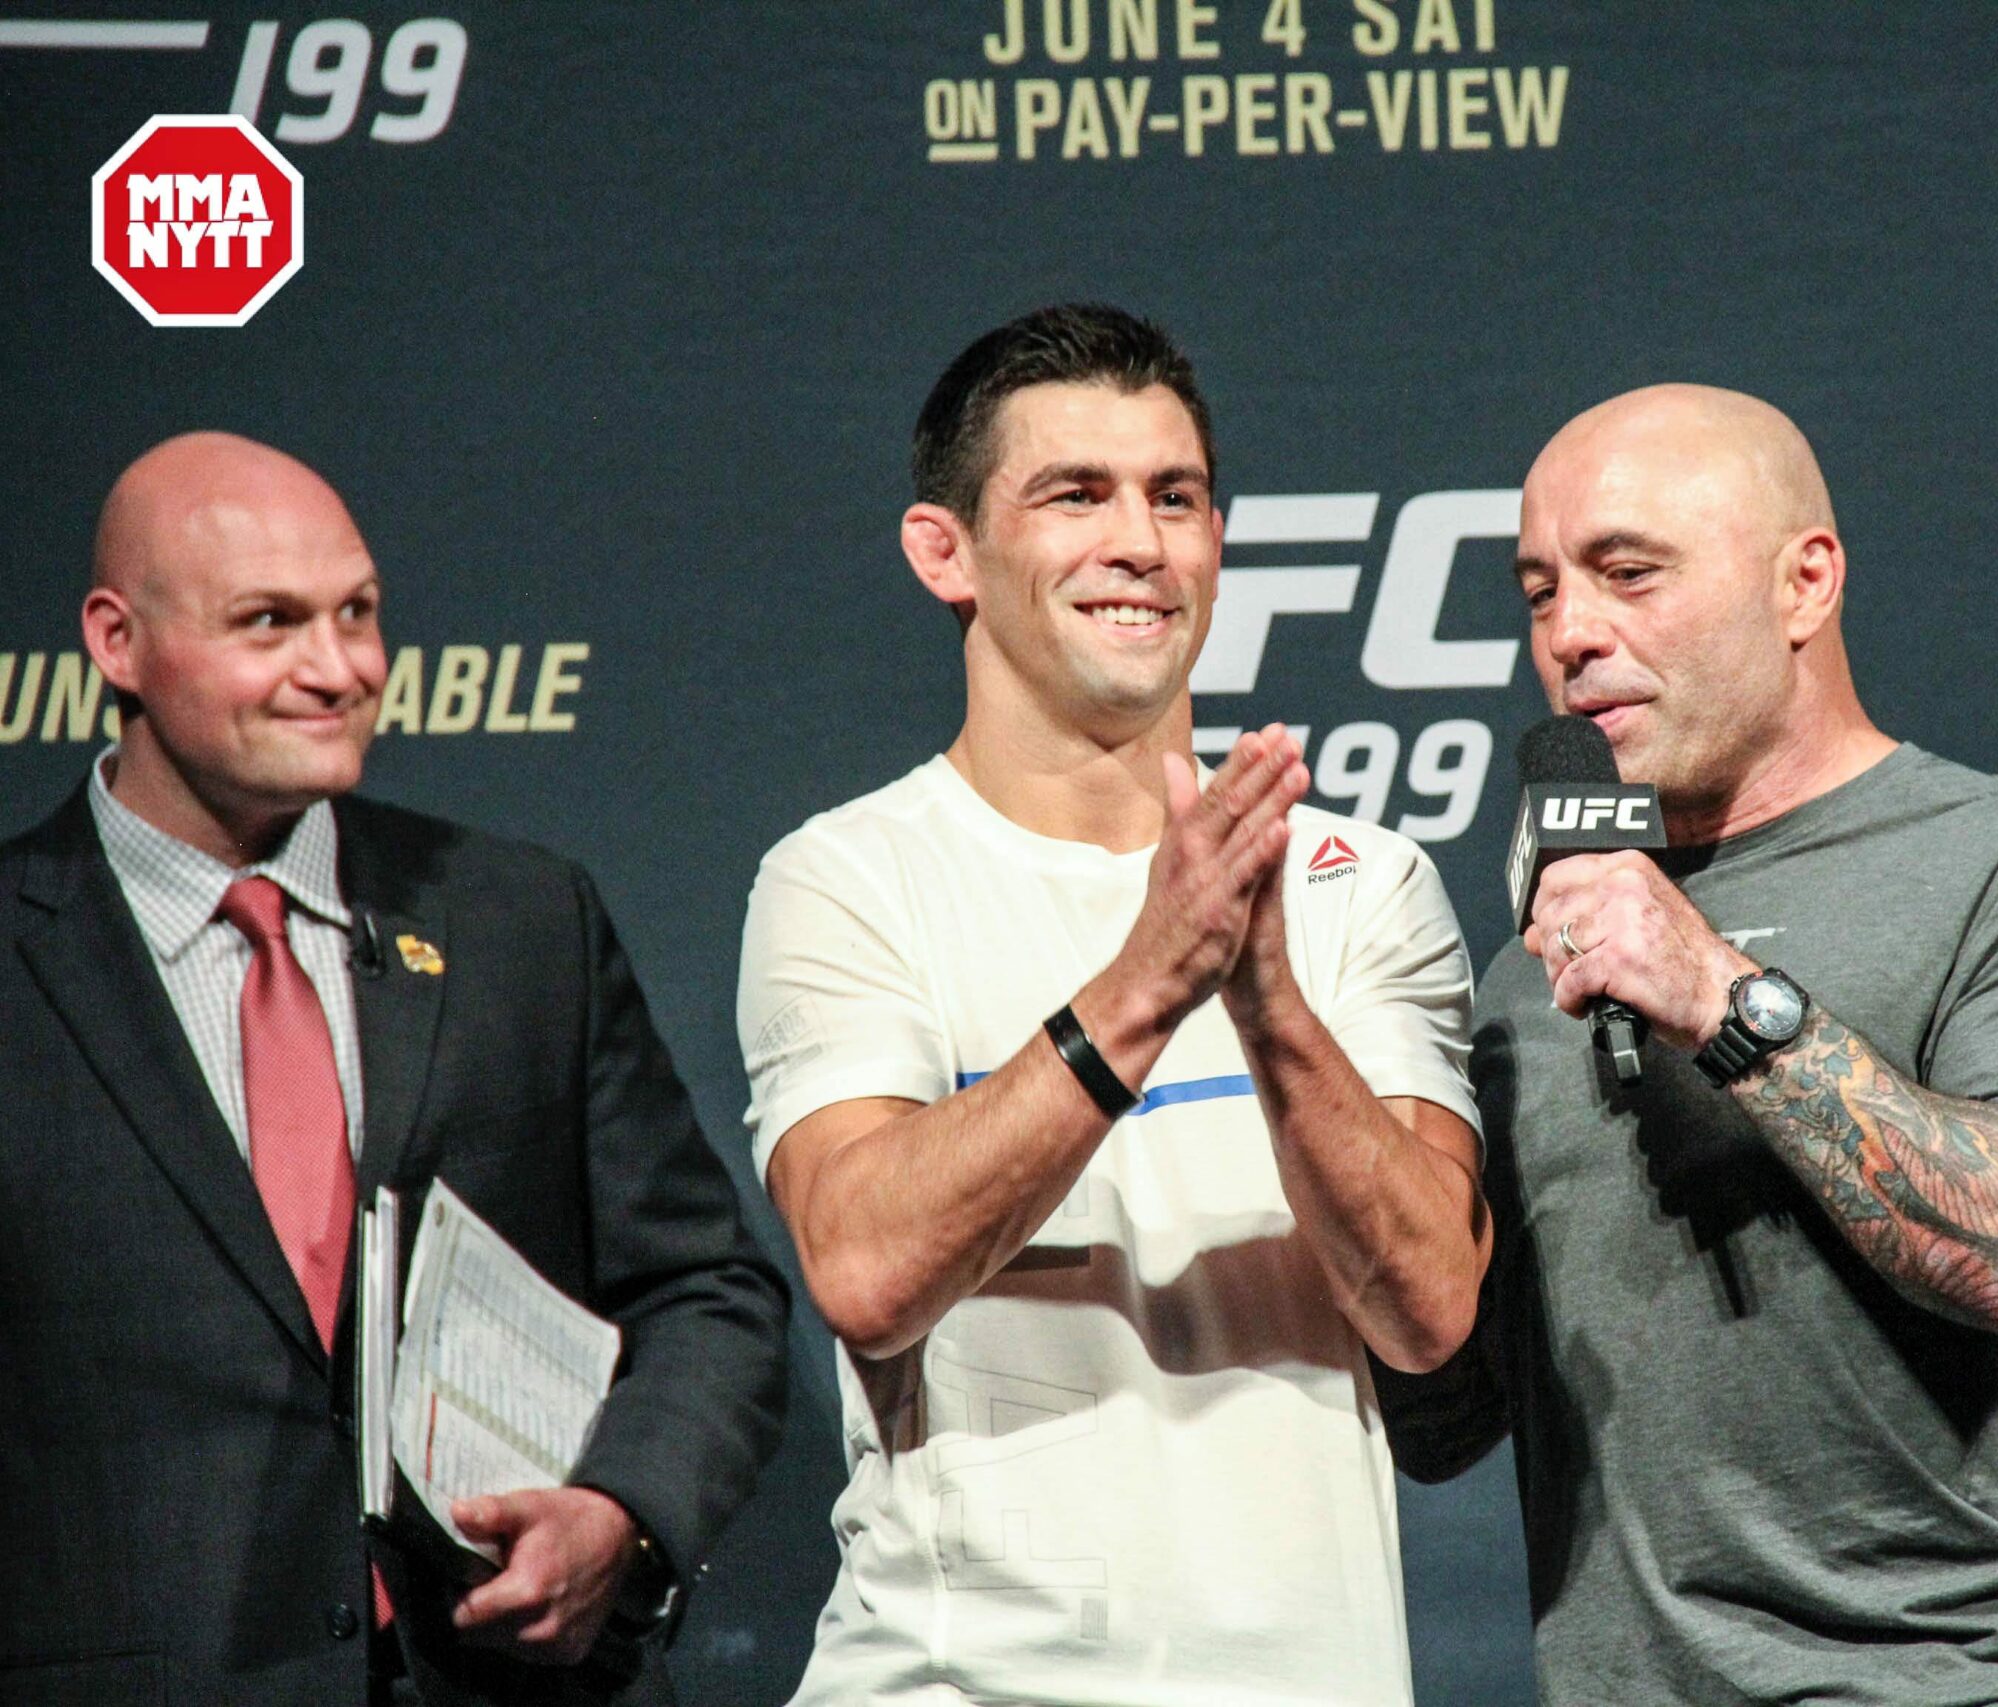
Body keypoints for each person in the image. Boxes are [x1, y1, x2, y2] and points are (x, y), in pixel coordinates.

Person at [1380, 386, 1998, 1707]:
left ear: (1803, 582)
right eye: (1541, 592)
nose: (1574, 633)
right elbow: (1447, 1423)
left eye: (1629, 573)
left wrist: (1720, 993)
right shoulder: (1542, 965)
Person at [737, 303, 1488, 1707]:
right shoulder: (847, 878)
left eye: (1177, 497)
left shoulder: (1359, 882)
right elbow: (866, 1268)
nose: (1140, 540)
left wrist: (1268, 1006)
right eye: (1074, 493)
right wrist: (1150, 980)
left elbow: (1434, 1307)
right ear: (942, 550)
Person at [0, 432, 791, 1706]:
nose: (341, 669)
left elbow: (708, 1289)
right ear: (115, 641)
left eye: (358, 614)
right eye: (271, 623)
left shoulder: (520, 919)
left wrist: (619, 1510)